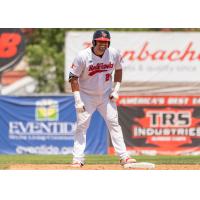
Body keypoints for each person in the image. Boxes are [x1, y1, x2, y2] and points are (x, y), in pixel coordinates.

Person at [68, 29, 136, 168]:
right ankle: (78, 158)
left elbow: (119, 69)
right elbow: (73, 77)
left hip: (105, 96)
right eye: (100, 42)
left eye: (106, 42)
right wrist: (78, 100)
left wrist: (116, 90)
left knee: (114, 124)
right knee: (82, 126)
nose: (103, 44)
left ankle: (124, 157)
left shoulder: (114, 53)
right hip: (86, 96)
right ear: (93, 42)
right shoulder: (82, 56)